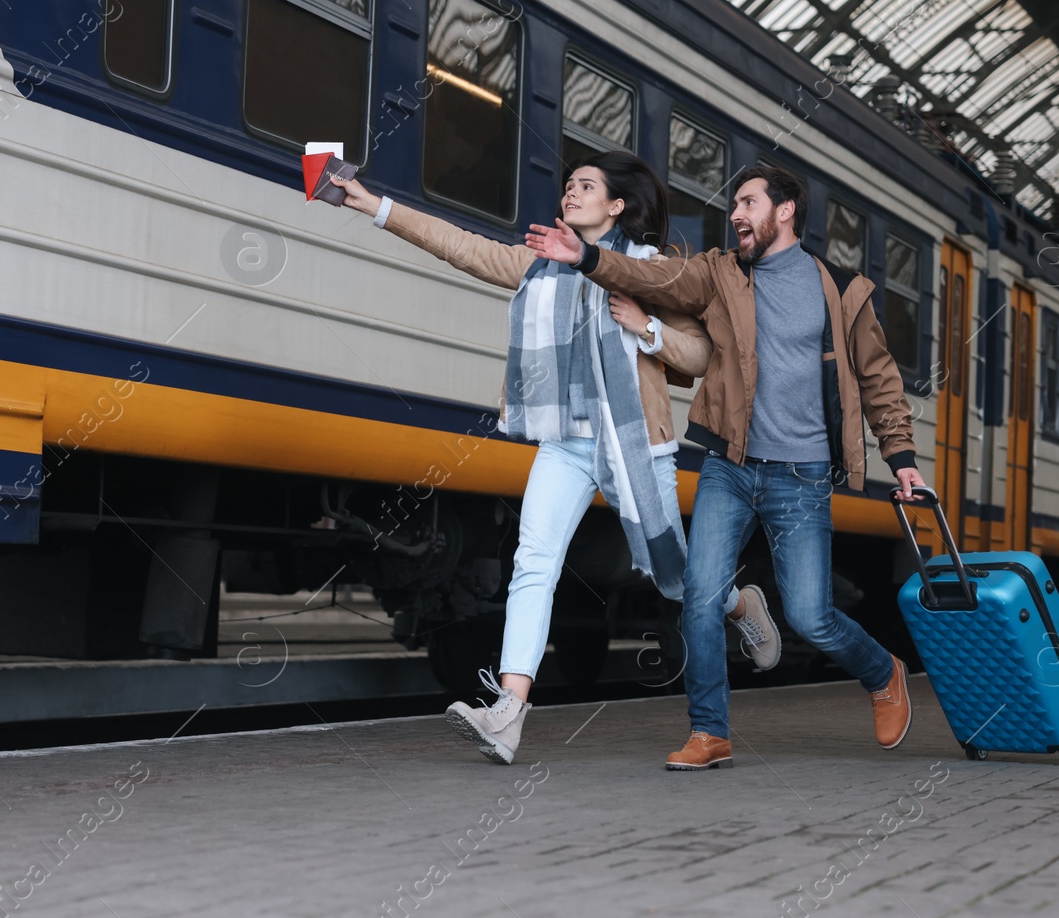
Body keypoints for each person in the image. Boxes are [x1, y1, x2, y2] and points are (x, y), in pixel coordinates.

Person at [329, 153, 781, 764]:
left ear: (616, 206)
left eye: (587, 186)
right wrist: (374, 206)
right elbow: (462, 246)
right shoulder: (542, 262)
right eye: (569, 185)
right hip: (565, 441)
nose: (572, 193)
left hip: (632, 443)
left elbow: (700, 356)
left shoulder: (653, 270)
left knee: (676, 578)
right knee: (533, 562)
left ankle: (737, 602)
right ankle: (508, 714)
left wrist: (646, 327)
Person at [527, 165, 927, 770]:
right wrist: (588, 258)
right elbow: (654, 274)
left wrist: (901, 460)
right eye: (734, 204)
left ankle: (883, 671)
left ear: (786, 210)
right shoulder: (719, 273)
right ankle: (709, 731)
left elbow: (879, 380)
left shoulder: (842, 289)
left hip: (803, 475)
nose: (736, 214)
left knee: (810, 615)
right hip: (730, 467)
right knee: (700, 597)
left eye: (748, 203)